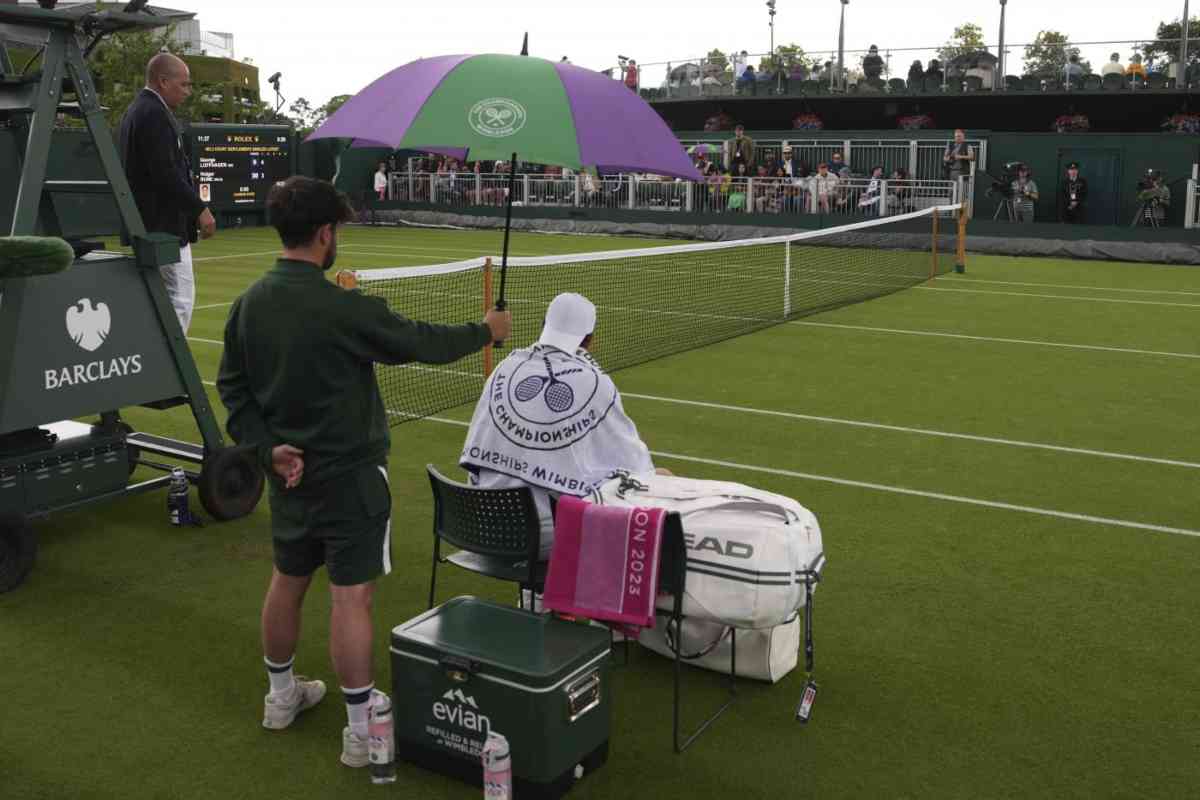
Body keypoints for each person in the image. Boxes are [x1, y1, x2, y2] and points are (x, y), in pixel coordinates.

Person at [216, 176, 511, 768]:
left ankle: (280, 698)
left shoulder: (248, 304)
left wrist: (266, 448)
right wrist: (487, 331)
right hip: (351, 478)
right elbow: (418, 341)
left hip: (289, 477)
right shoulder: (341, 306)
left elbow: (233, 390)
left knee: (287, 579)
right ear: (326, 234)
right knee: (352, 599)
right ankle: (358, 732)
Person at [459, 293, 658, 559]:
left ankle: (532, 593)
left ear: (543, 326)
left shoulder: (504, 368)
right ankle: (548, 595)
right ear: (590, 340)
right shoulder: (595, 384)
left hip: (479, 523)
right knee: (648, 488)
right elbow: (633, 463)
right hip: (542, 536)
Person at [118, 53, 215, 335]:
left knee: (160, 300)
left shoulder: (139, 109)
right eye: (184, 84)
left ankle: (157, 364)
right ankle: (172, 369)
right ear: (163, 81)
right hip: (162, 227)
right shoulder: (152, 113)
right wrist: (201, 209)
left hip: (148, 223)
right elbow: (166, 174)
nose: (188, 91)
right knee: (181, 298)